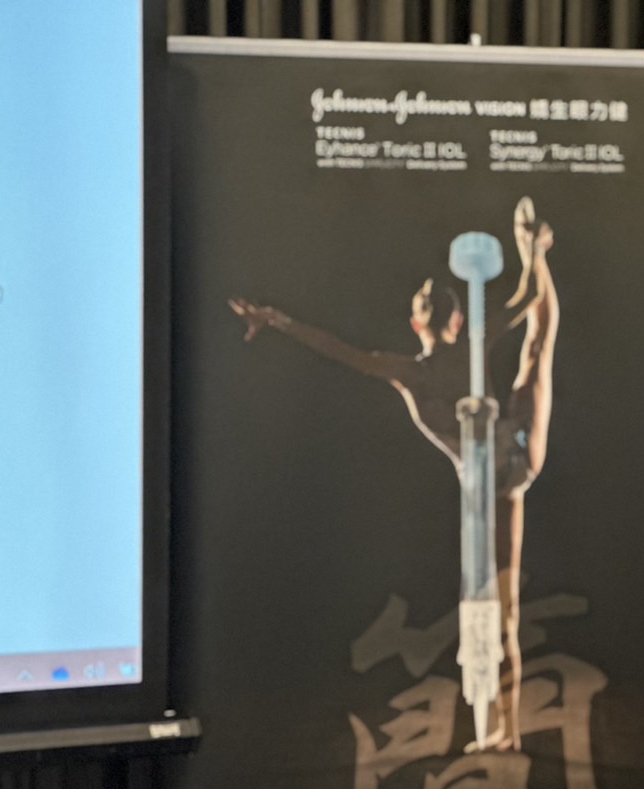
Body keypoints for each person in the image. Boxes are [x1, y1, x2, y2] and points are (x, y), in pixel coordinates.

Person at [230, 196, 557, 751]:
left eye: (433, 298)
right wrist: (279, 321)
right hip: (492, 476)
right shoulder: (419, 367)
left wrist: (533, 259)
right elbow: (344, 351)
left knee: (537, 351)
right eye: (425, 298)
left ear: (436, 320)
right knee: (498, 607)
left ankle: (537, 243)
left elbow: (525, 300)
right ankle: (506, 729)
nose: (428, 297)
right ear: (428, 321)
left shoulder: (455, 353)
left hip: (508, 459)